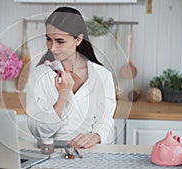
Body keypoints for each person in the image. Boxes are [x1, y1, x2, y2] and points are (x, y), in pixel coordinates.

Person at [26, 6, 116, 148]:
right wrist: (63, 96)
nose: (52, 47)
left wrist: (96, 136)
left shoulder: (103, 76)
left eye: (60, 41)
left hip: (90, 151)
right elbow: (37, 130)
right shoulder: (39, 75)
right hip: (50, 152)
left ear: (78, 39)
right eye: (49, 39)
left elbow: (106, 123)